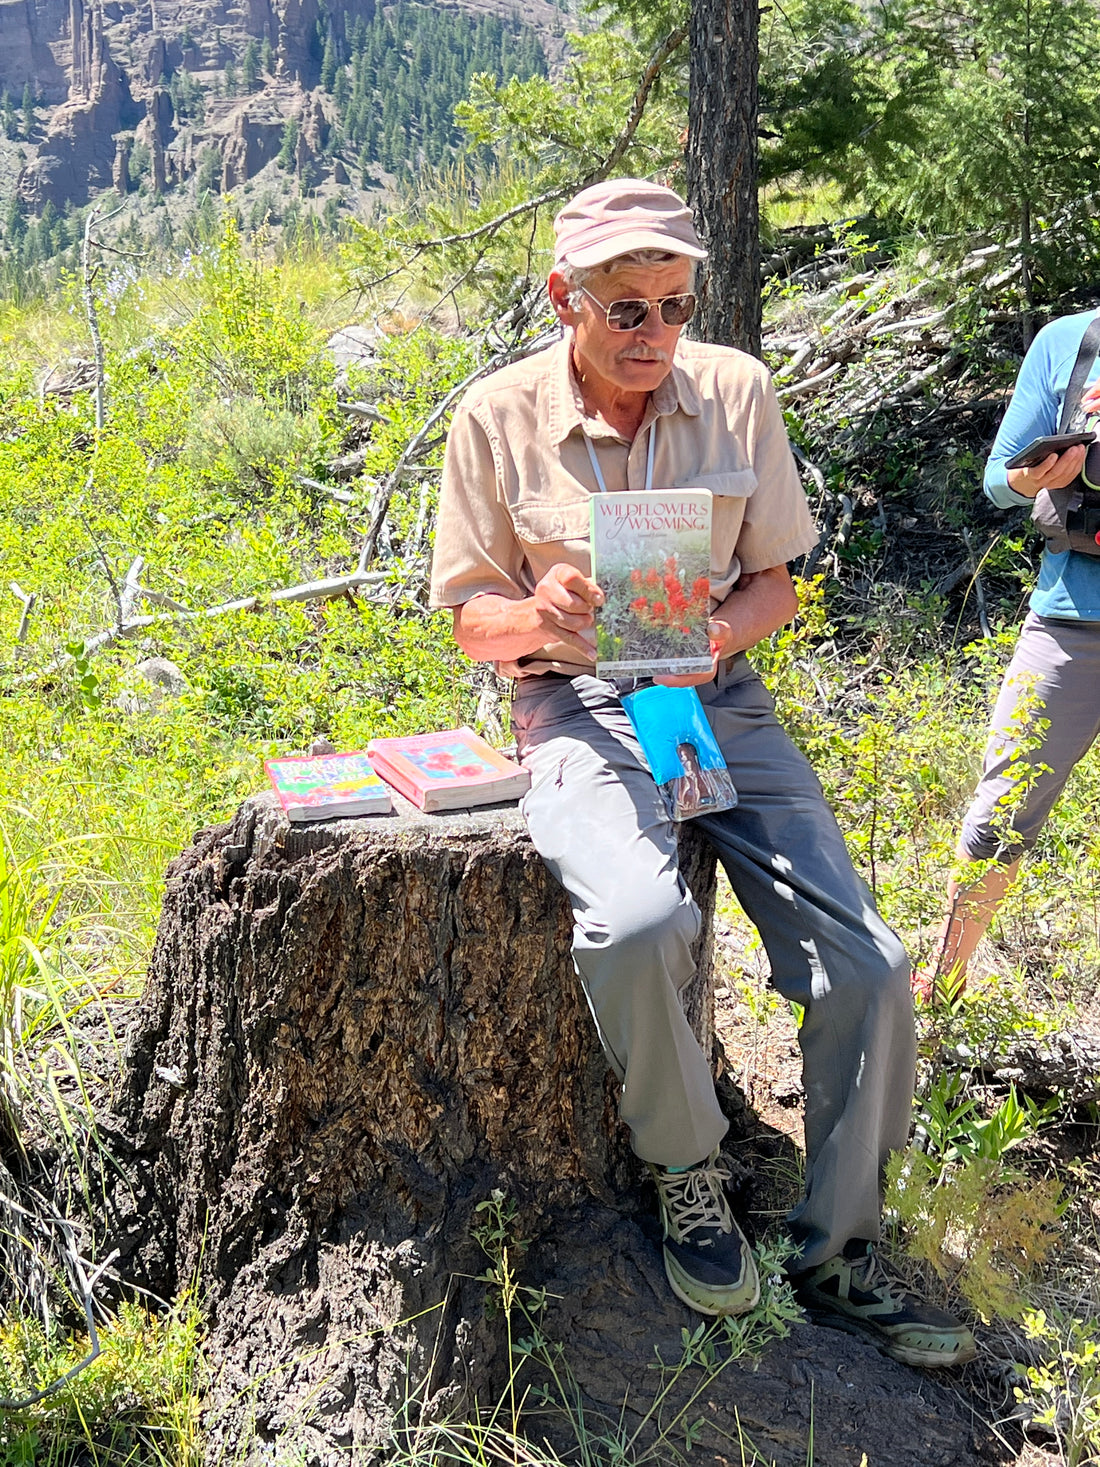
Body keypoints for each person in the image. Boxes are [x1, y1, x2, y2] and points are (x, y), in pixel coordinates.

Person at [429, 177, 974, 1368]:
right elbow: (471, 620)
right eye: (627, 311)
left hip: (715, 695)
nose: (655, 336)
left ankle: (834, 1252)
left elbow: (775, 578)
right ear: (562, 298)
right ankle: (687, 1172)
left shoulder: (734, 392)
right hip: (572, 702)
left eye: (675, 306)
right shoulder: (496, 415)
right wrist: (537, 609)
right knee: (633, 924)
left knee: (871, 970)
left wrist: (711, 636)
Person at [922, 308, 1100, 1000]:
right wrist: (1032, 479)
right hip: (1068, 618)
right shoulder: (1067, 343)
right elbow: (998, 478)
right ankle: (944, 987)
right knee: (1003, 806)